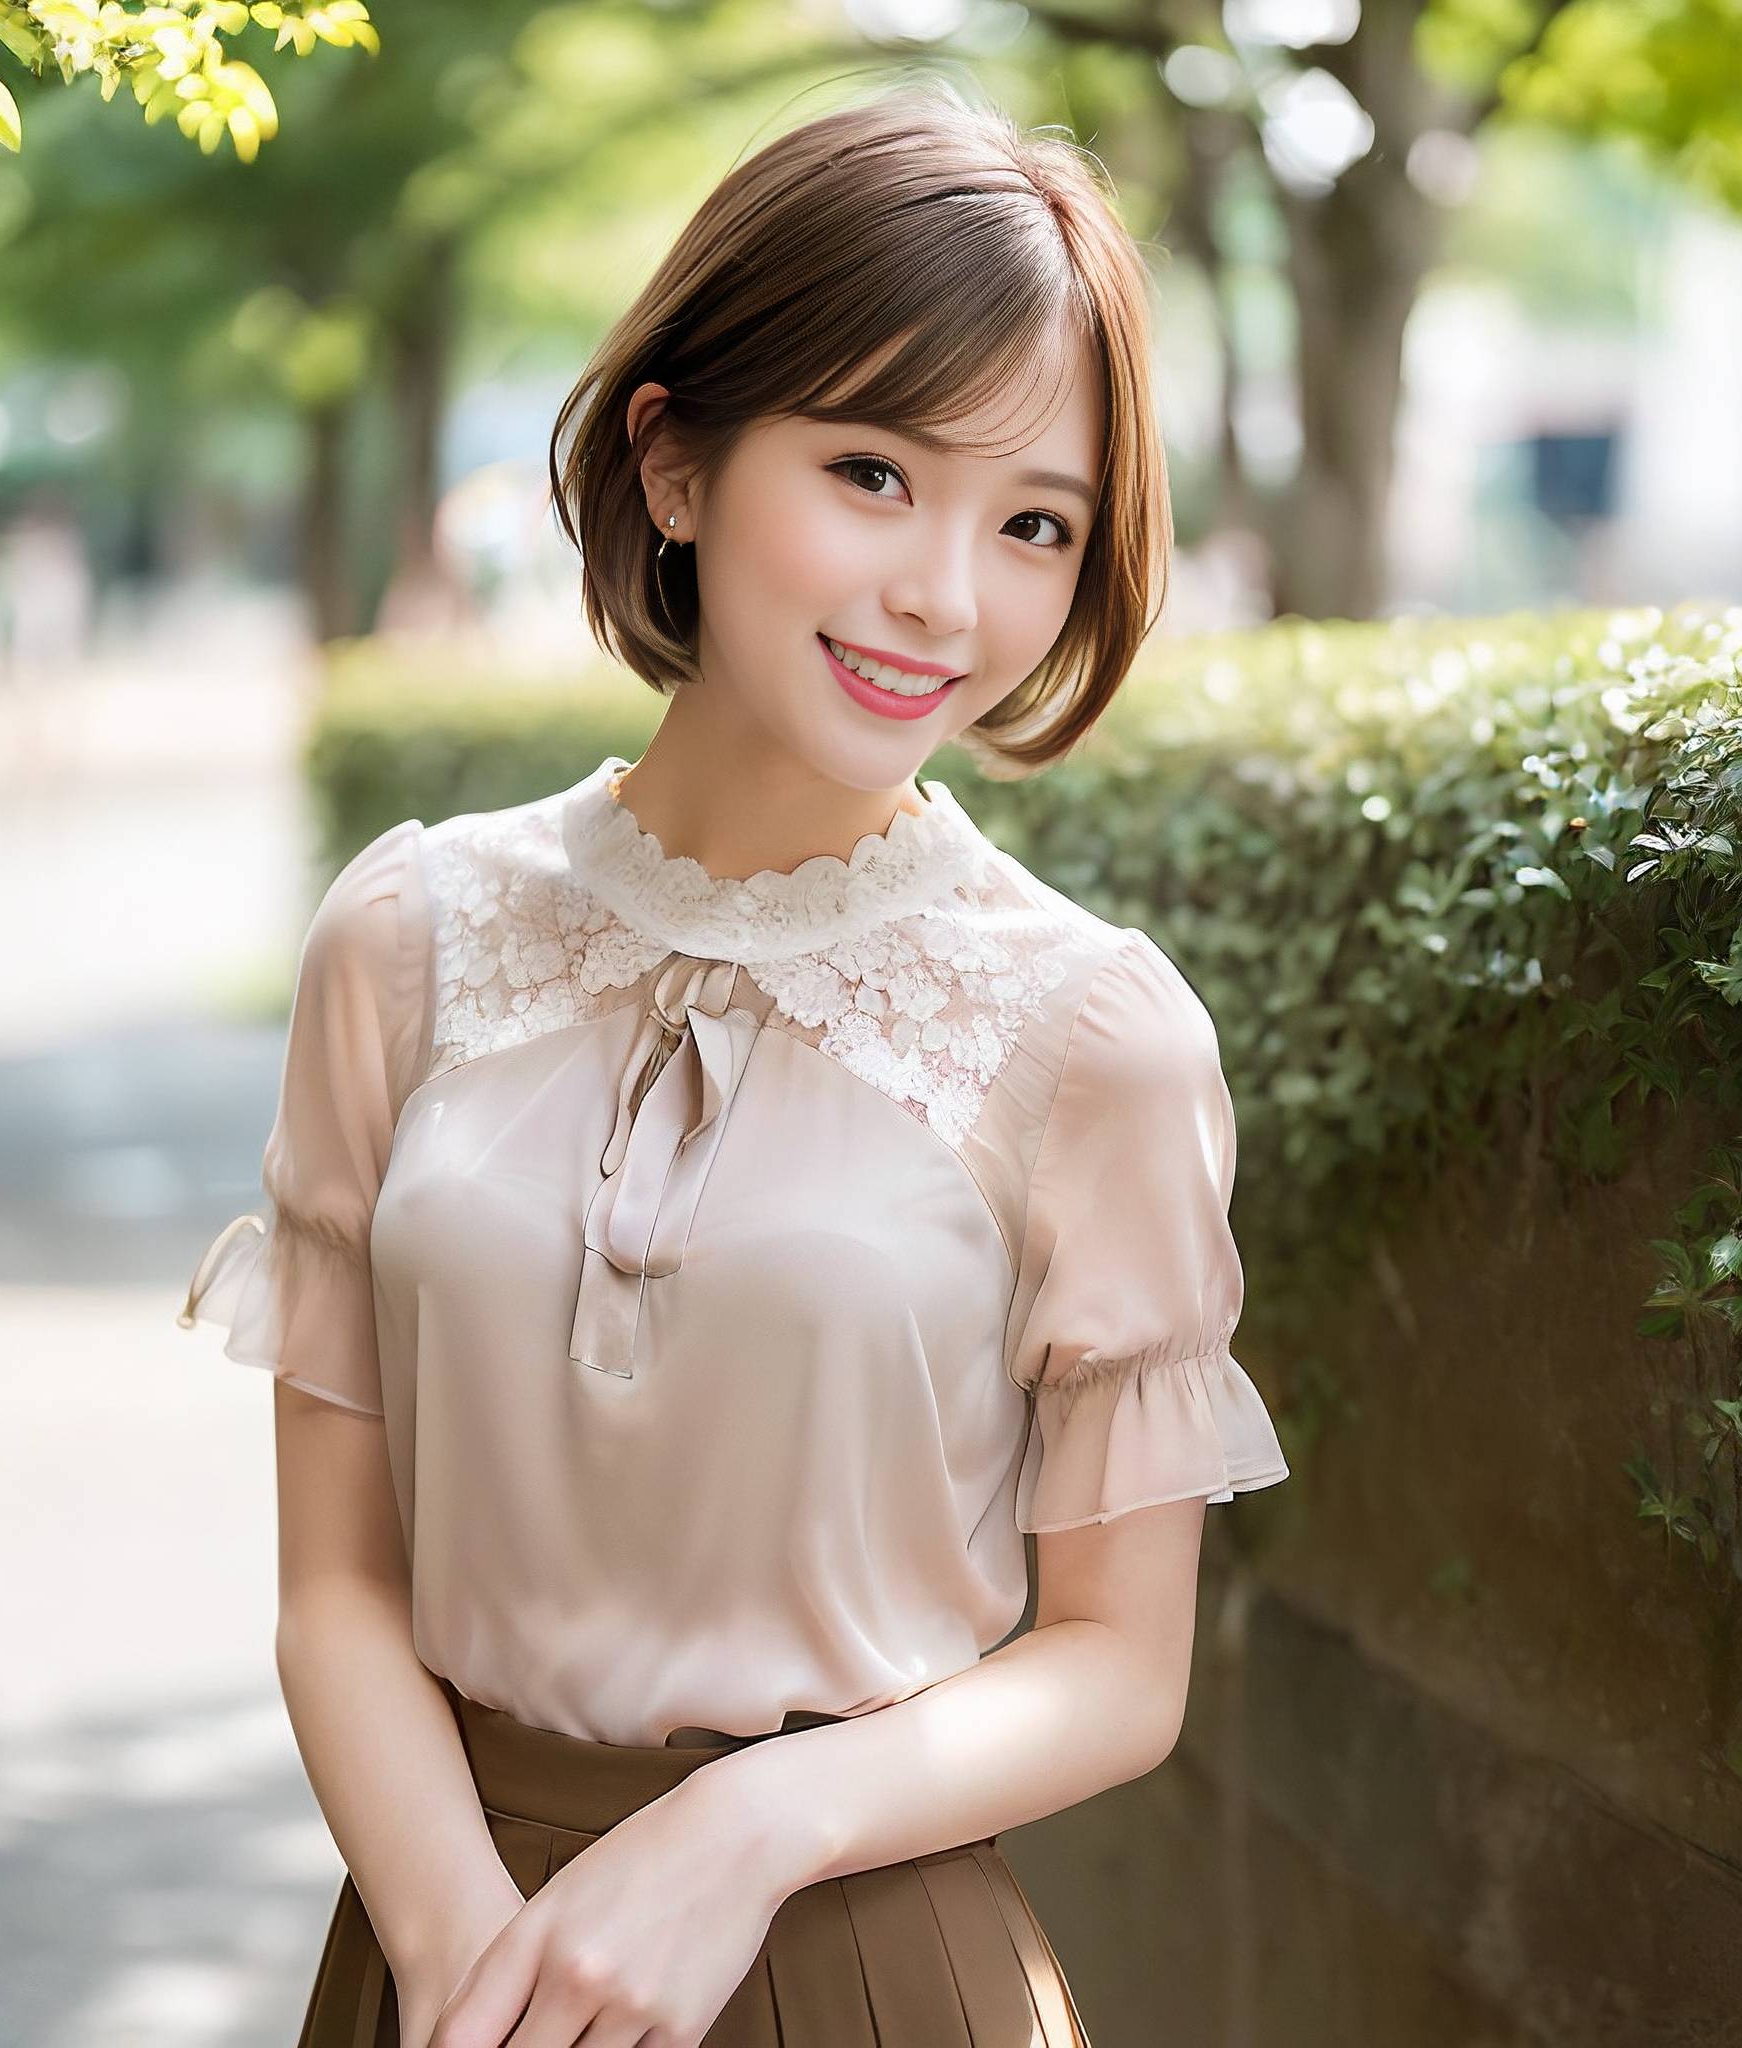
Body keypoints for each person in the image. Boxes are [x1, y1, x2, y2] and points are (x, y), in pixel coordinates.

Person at [179, 76, 1290, 2048]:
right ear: (673, 462)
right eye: (873, 472)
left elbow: (1122, 1662)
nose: (947, 595)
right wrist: (459, 1951)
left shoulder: (1091, 1034)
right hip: (443, 1949)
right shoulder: (410, 939)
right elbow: (337, 1582)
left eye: (1033, 522)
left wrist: (747, 1826)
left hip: (866, 1957)